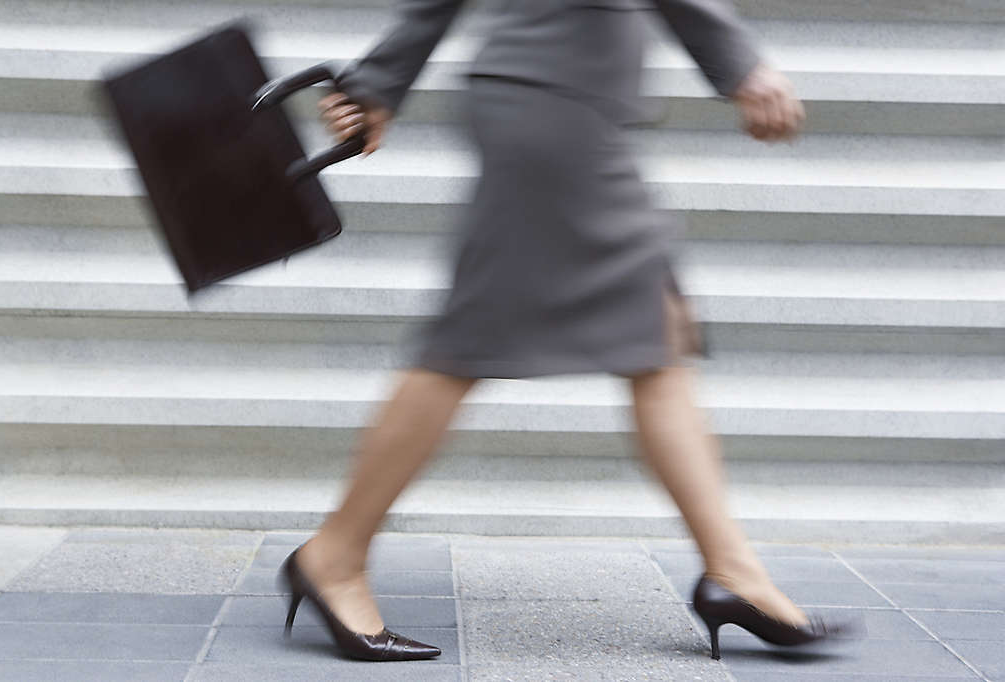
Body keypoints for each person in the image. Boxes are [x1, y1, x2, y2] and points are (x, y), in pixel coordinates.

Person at [280, 0, 848, 663]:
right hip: (552, 103)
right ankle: (336, 556)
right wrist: (740, 63)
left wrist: (382, 78)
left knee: (653, 331)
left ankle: (733, 570)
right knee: (471, 342)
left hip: (559, 100)